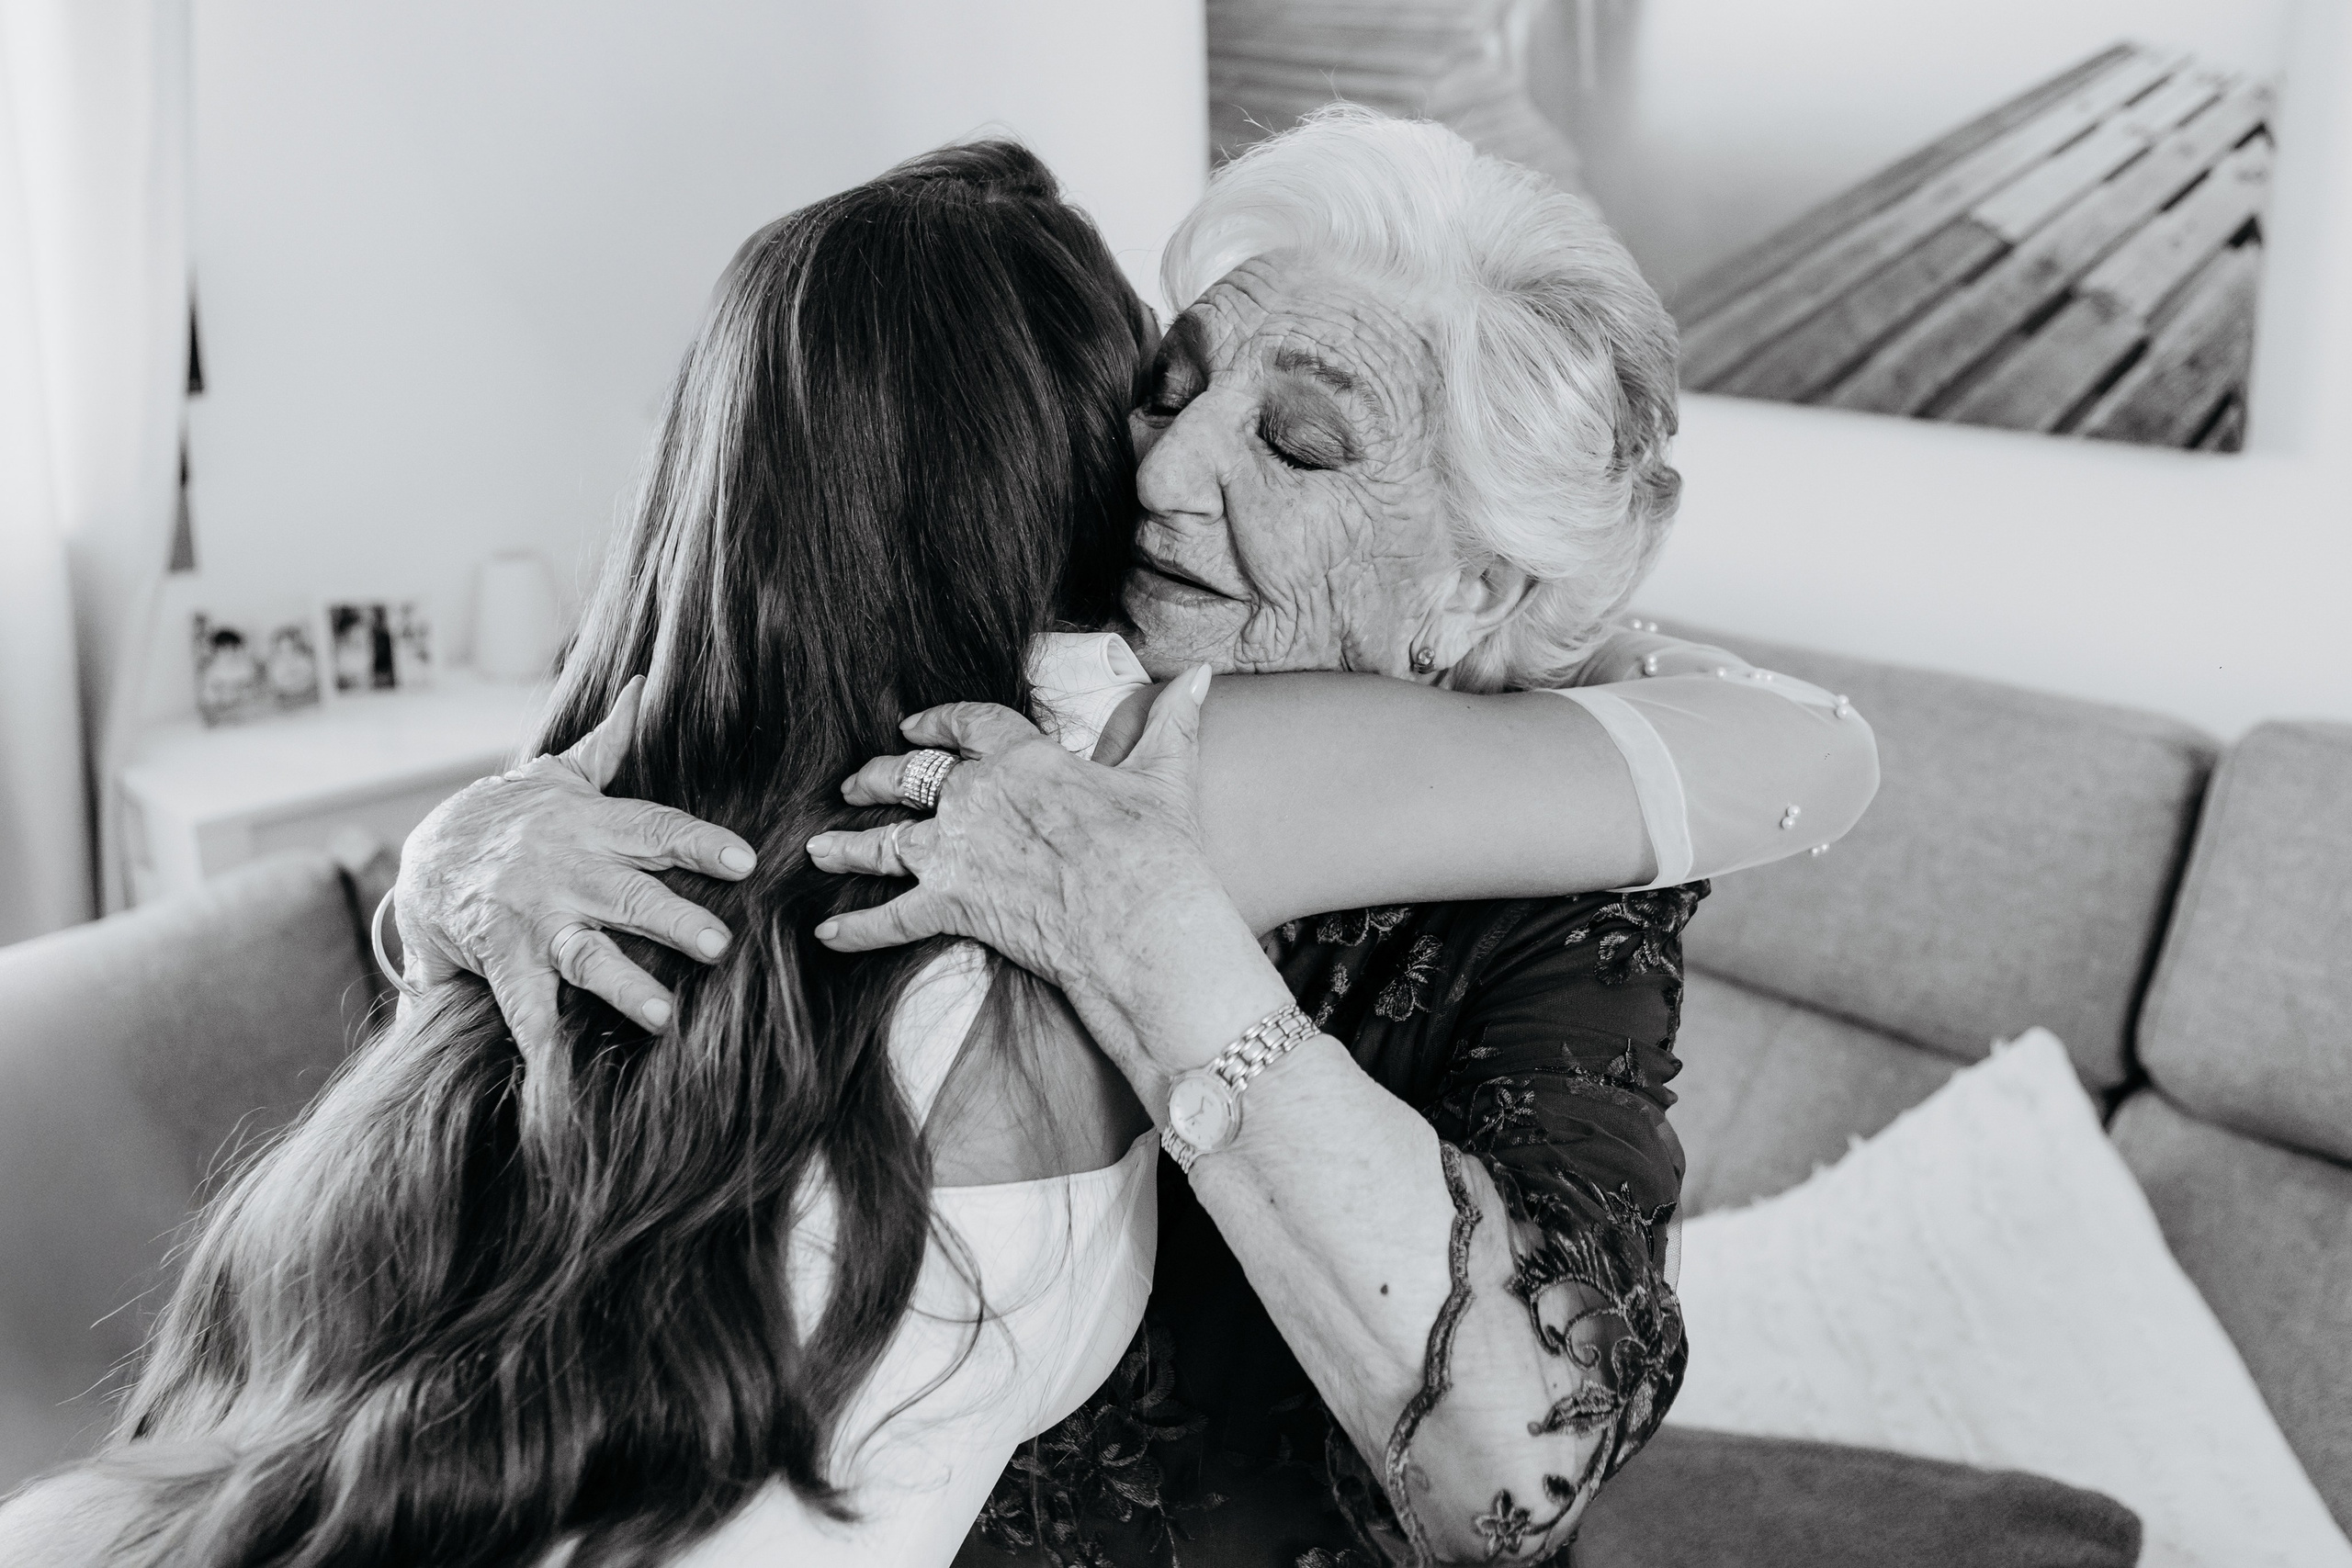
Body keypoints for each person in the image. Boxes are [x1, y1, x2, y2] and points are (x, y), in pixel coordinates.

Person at [379, 109, 1875, 1566]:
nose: (1159, 475)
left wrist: (1151, 944)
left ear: (1473, 594)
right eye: (1168, 391)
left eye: (1296, 445)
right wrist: (442, 872)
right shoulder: (1028, 683)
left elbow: (1513, 1467)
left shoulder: (1549, 882)